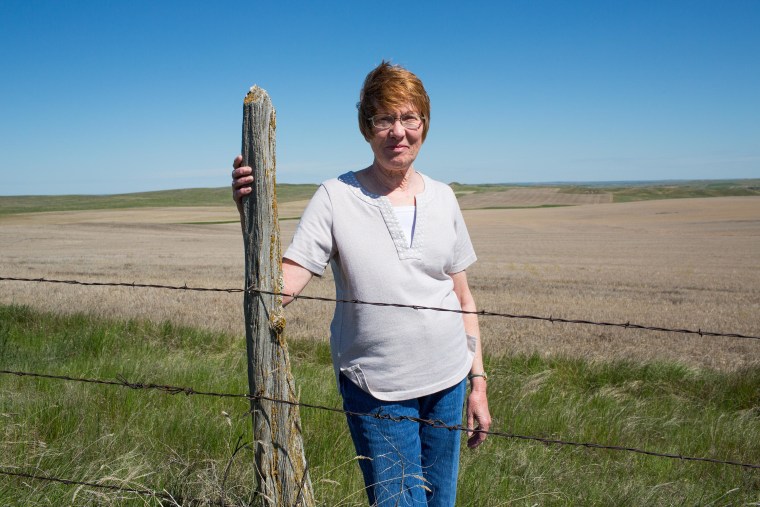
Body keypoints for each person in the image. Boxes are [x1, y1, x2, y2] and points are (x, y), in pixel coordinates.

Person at [231, 61, 491, 507]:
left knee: (442, 501)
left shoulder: (444, 197)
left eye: (410, 118)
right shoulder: (336, 196)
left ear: (424, 125)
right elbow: (285, 280)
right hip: (378, 391)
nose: (398, 131)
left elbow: (462, 296)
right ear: (366, 128)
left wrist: (478, 383)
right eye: (384, 119)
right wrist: (250, 214)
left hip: (448, 382)